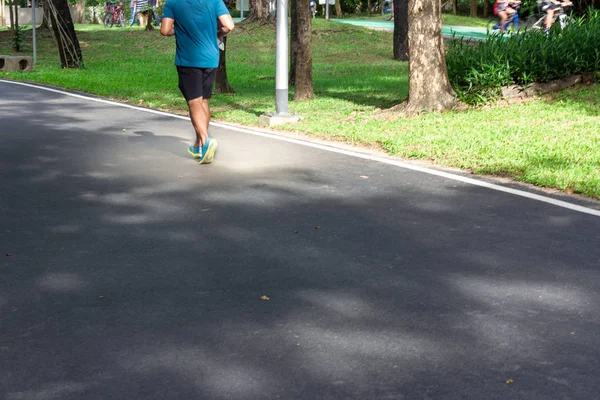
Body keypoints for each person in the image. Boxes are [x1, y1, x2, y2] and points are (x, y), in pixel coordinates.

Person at [160, 0, 234, 164]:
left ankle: (206, 140)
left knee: (194, 102)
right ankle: (199, 144)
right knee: (203, 101)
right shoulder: (215, 1)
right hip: (211, 58)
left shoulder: (173, 3)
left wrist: (177, 30)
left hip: (188, 60)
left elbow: (165, 30)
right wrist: (218, 35)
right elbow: (228, 25)